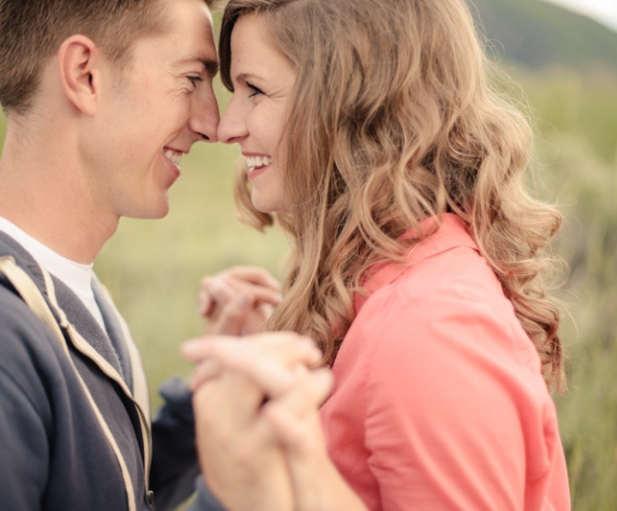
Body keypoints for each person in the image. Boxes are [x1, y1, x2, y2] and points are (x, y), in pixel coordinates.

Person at [186, 0, 572, 509]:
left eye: (255, 90)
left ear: (352, 102)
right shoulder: (381, 288)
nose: (226, 126)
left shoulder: (433, 333)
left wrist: (260, 485)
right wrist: (279, 380)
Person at [0, 0, 286, 509]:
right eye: (191, 79)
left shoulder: (78, 298)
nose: (213, 123)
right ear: (85, 75)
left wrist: (210, 400)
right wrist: (235, 491)